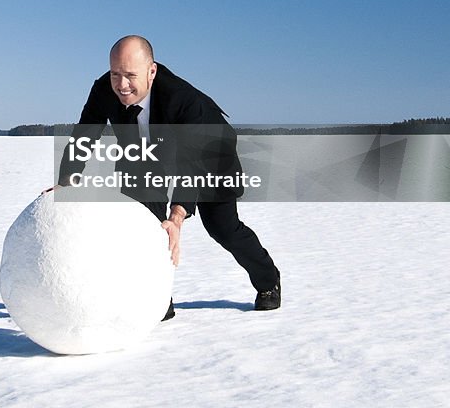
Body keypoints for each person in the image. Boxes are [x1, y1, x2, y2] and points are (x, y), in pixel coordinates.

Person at [52, 35, 281, 314]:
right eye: (115, 74)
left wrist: (177, 214)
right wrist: (67, 180)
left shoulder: (183, 101)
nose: (122, 85)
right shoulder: (103, 89)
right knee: (144, 227)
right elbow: (86, 133)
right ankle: (159, 298)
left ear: (152, 71)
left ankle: (269, 282)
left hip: (209, 155)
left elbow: (192, 163)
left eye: (130, 76)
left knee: (223, 228)